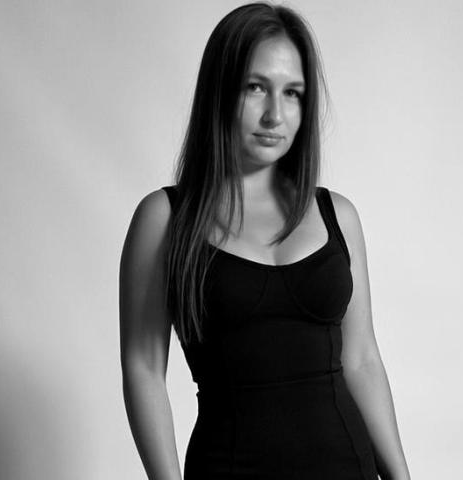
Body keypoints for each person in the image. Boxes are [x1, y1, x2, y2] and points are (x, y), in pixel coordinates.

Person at [119, 2, 411, 479]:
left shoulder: (337, 215)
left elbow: (361, 360)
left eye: (292, 93)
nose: (275, 114)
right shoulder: (166, 219)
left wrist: (401, 476)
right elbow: (143, 370)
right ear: (219, 90)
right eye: (256, 87)